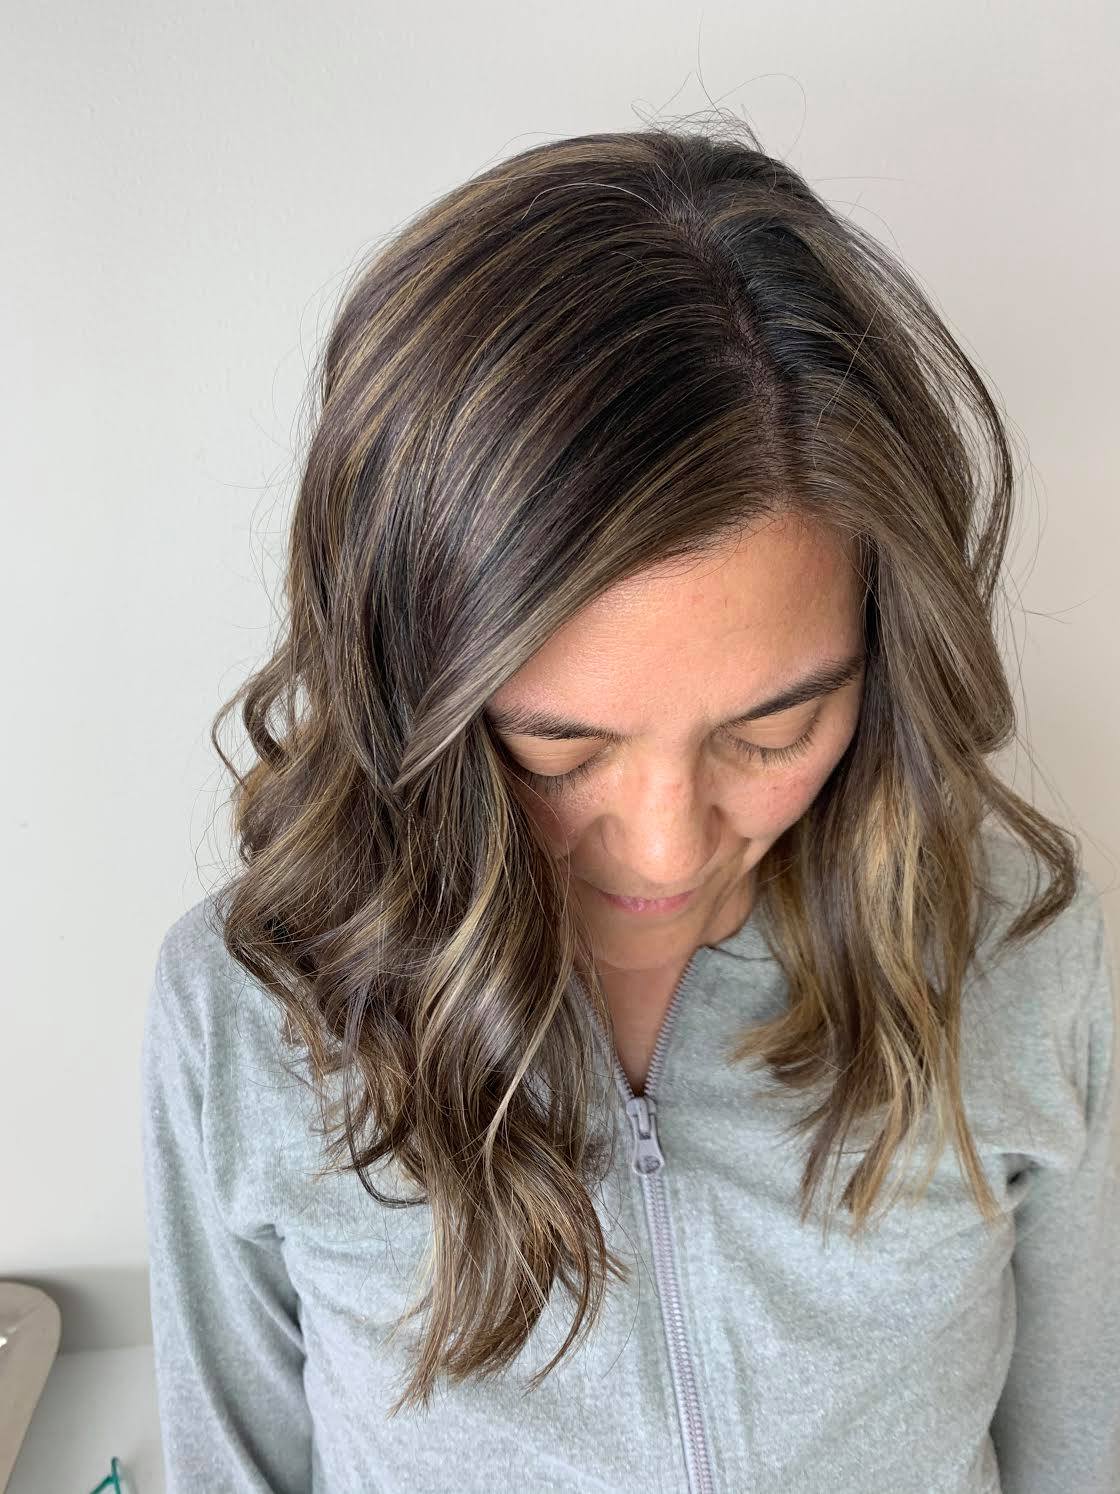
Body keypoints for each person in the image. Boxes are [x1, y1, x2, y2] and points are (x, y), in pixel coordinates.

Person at [140, 119, 1119, 1493]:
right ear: (410, 688)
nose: (669, 848)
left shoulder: (1021, 952)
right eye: (560, 745)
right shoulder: (252, 1013)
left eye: (775, 730)